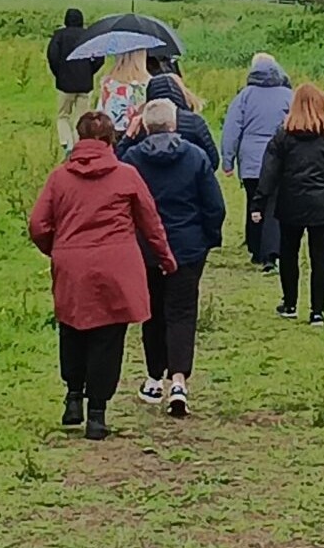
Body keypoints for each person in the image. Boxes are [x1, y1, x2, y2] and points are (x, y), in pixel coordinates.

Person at [29, 113, 174, 441]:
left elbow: (38, 224)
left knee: (72, 329)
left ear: (79, 139)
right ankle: (97, 414)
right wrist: (166, 259)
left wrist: (57, 249)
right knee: (108, 338)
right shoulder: (127, 176)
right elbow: (150, 223)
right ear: (112, 139)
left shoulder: (59, 178)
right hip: (116, 266)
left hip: (72, 264)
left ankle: (73, 396)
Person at [118, 99, 225, 417]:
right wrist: (209, 238)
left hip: (146, 248)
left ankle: (154, 378)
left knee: (152, 313)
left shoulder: (133, 158)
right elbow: (214, 205)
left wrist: (126, 137)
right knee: (182, 312)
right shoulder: (196, 157)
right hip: (188, 247)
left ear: (146, 127)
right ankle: (179, 381)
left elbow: (113, 179)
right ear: (175, 125)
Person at [258, 83, 324, 324]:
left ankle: (290, 303)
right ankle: (317, 311)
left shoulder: (283, 136)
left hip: (291, 202)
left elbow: (269, 172)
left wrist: (259, 202)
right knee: (320, 257)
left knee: (289, 253)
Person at [219, 53, 294, 273]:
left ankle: (255, 247)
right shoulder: (289, 95)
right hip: (279, 158)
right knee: (273, 204)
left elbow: (232, 129)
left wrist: (228, 159)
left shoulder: (245, 96)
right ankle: (270, 251)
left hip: (251, 160)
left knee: (254, 200)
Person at [143, 72, 220, 171]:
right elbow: (213, 160)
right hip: (190, 179)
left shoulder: (143, 123)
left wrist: (128, 136)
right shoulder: (194, 121)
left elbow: (126, 158)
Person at [45, 9, 100, 148]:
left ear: (66, 20)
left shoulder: (59, 36)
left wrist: (59, 73)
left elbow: (52, 56)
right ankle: (78, 142)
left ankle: (66, 142)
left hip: (65, 84)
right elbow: (100, 58)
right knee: (82, 117)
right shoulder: (88, 36)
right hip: (85, 84)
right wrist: (90, 71)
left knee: (63, 115)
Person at [96, 50, 148, 133]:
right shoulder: (147, 82)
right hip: (137, 131)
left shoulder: (108, 82)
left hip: (111, 132)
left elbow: (100, 110)